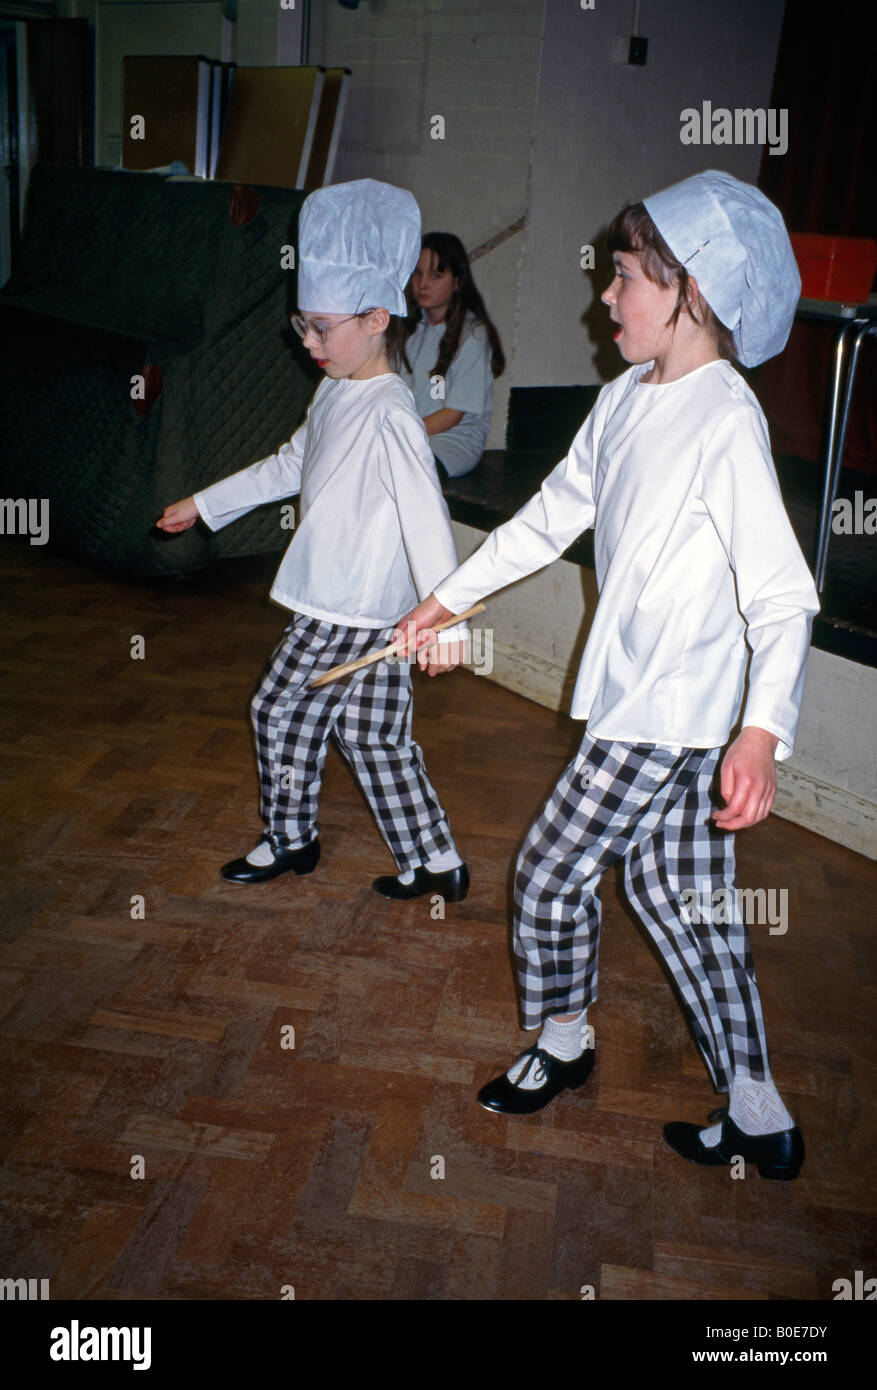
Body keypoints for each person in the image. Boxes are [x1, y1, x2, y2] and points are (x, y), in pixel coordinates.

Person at [396, 170, 820, 1180]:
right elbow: (548, 516)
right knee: (680, 902)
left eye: (625, 277)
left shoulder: (724, 418)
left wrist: (763, 730)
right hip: (652, 706)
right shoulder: (626, 397)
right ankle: (757, 1107)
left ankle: (564, 1042)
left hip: (670, 717)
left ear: (693, 292)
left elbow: (781, 595)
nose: (607, 296)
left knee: (546, 875)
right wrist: (449, 596)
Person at [157, 179, 469, 903]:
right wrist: (205, 504)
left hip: (347, 604)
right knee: (372, 739)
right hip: (362, 603)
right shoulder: (337, 385)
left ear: (375, 317)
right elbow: (292, 462)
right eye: (302, 325)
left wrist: (443, 612)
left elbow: (426, 515)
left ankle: (291, 839)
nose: (307, 342)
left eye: (320, 328)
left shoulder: (390, 413)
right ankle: (435, 858)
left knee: (276, 708)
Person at [401, 232, 505, 480]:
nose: (423, 283)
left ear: (457, 281)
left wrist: (399, 434)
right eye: (418, 273)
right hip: (409, 435)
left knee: (398, 474)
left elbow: (453, 414)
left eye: (435, 275)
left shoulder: (472, 335)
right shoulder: (411, 329)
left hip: (449, 442)